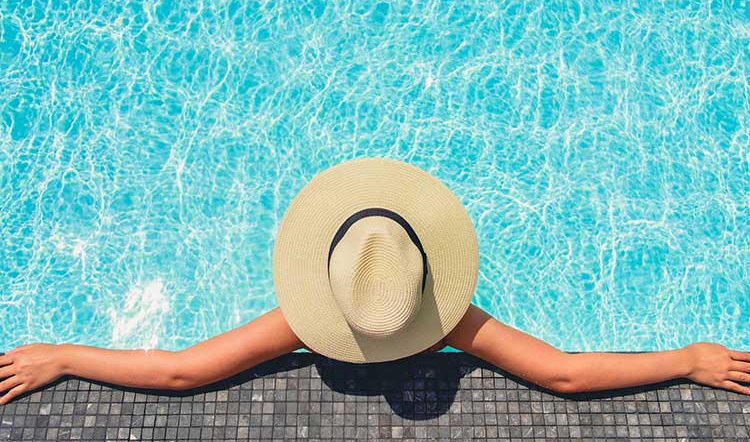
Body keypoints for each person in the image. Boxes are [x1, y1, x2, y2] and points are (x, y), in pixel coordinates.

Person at [1, 157, 749, 405]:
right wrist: (688, 359)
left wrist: (63, 357)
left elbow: (178, 372)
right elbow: (562, 375)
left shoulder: (300, 320)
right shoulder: (451, 321)